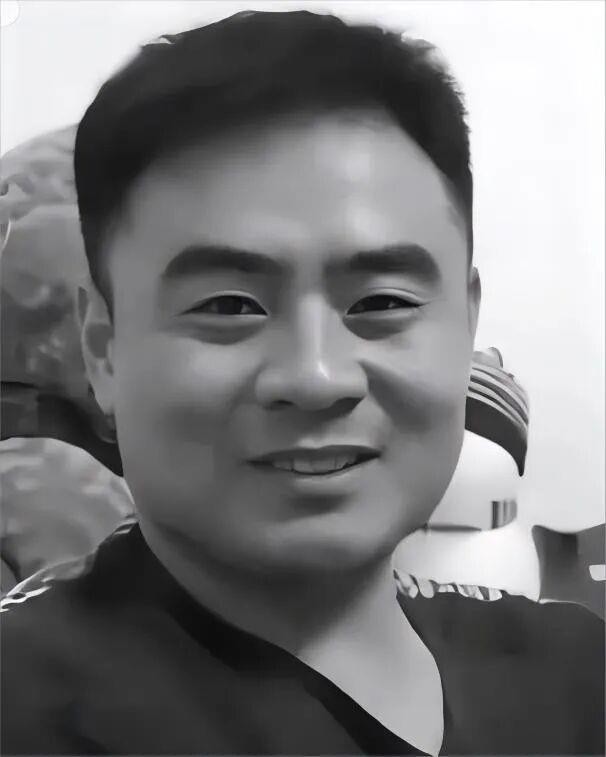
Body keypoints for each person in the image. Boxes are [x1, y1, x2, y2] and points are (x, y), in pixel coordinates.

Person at [1, 10, 603, 756]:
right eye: (229, 306)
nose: (316, 377)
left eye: (381, 302)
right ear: (103, 350)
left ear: (466, 326)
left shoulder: (577, 675)